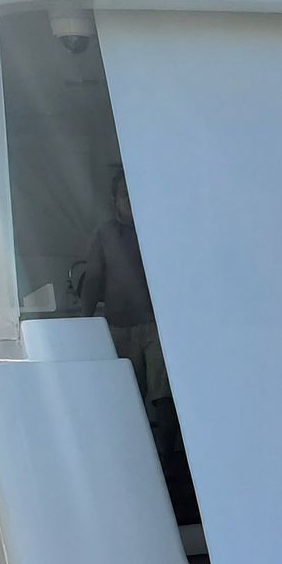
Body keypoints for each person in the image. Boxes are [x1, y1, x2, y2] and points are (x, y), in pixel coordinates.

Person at [79, 167, 170, 422]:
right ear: (114, 200)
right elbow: (93, 279)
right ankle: (138, 451)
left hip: (156, 327)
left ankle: (166, 455)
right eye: (125, 196)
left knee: (164, 395)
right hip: (119, 327)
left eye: (135, 195)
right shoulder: (104, 234)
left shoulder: (156, 232)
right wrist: (85, 323)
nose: (131, 201)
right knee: (127, 395)